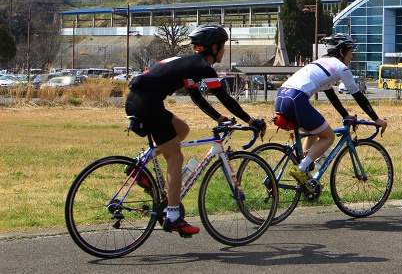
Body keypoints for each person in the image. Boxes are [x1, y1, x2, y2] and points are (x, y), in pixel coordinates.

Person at [125, 24, 266, 236]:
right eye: (224, 46)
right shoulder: (202, 67)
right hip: (149, 103)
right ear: (215, 47)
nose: (224, 51)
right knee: (175, 158)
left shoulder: (189, 64)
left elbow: (197, 98)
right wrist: (250, 120)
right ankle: (174, 216)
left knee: (182, 130)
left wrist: (220, 118)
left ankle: (141, 164)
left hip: (137, 100)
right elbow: (223, 96)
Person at [274, 33, 387, 190]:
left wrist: (345, 115)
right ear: (342, 51)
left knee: (314, 131)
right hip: (296, 99)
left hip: (281, 97)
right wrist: (376, 119)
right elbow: (358, 96)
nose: (352, 56)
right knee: (328, 136)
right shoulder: (341, 67)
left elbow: (331, 94)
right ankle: (301, 168)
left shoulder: (320, 63)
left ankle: (305, 169)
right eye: (350, 52)